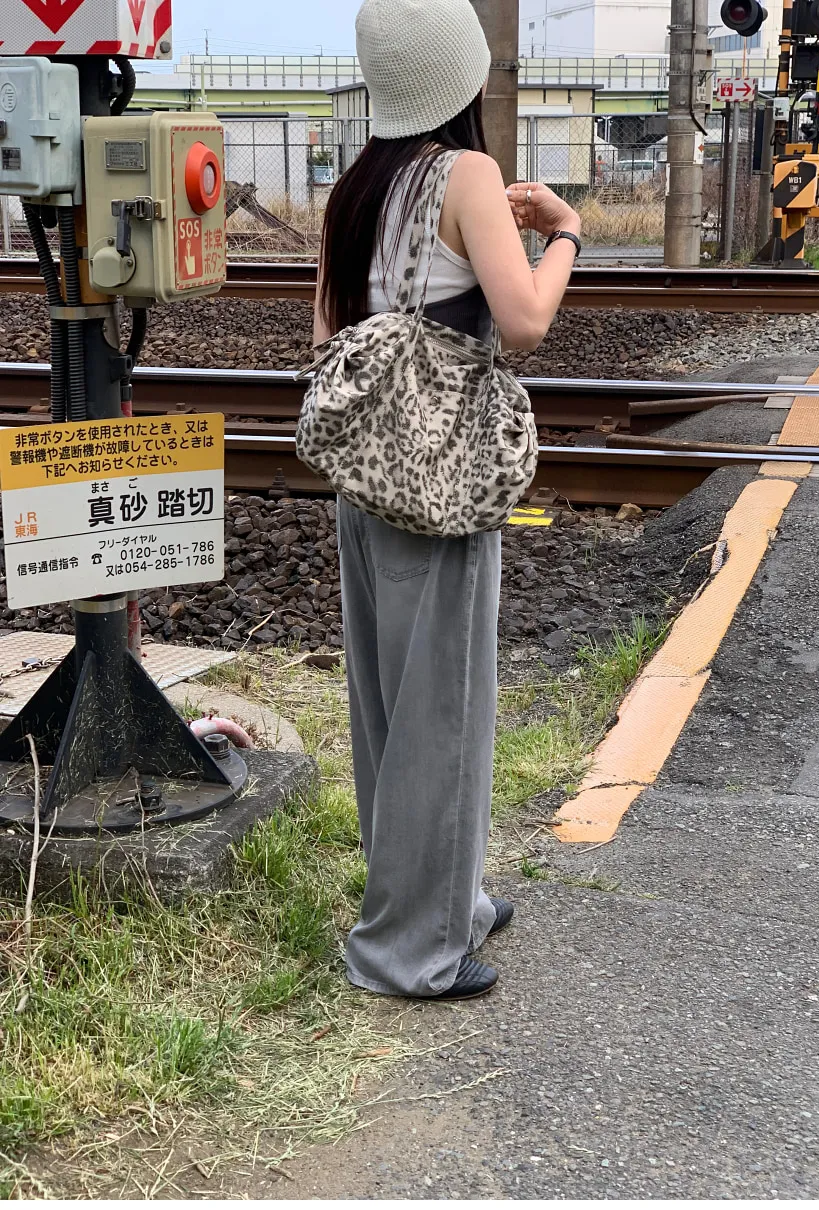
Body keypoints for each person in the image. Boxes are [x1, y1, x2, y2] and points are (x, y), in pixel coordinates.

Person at [314, 0, 583, 1001]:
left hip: (367, 479)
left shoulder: (354, 189)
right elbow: (524, 322)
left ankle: (441, 901)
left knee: (389, 706)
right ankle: (409, 952)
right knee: (445, 708)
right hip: (442, 480)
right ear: (463, 75)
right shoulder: (466, 175)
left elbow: (329, 340)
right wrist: (566, 233)